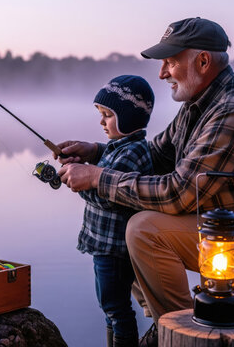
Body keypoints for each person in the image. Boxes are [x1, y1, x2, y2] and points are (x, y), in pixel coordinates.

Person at [56, 17, 234, 347]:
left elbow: (179, 194)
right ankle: (165, 325)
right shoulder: (198, 105)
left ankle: (185, 332)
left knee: (143, 228)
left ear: (202, 61)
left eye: (170, 61)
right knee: (131, 216)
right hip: (220, 226)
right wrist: (97, 151)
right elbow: (155, 155)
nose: (162, 73)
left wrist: (98, 177)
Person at [78, 75, 154, 347]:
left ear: (129, 118)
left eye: (108, 115)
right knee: (109, 309)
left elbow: (111, 199)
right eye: (101, 114)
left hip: (115, 249)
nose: (101, 122)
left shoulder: (132, 153)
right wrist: (82, 162)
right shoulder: (118, 148)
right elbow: (105, 169)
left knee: (115, 307)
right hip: (104, 246)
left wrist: (82, 182)